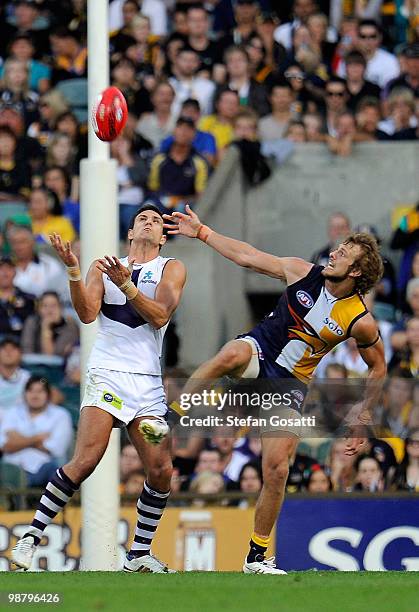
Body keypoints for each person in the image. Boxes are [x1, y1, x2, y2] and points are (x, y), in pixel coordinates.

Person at [154, 205, 386, 574]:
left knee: (277, 468)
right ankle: (170, 415)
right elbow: (248, 256)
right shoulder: (301, 271)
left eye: (343, 253)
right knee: (231, 352)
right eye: (338, 247)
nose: (334, 252)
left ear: (355, 272)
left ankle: (257, 556)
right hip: (258, 351)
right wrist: (203, 233)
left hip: (288, 384)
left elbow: (378, 366)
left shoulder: (359, 320)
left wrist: (365, 412)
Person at [11, 203, 186, 574]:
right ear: (130, 232)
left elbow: (160, 315)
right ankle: (29, 538)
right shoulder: (101, 267)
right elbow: (88, 313)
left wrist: (126, 284)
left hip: (147, 384)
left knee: (161, 469)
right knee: (87, 460)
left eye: (156, 221)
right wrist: (74, 271)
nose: (149, 223)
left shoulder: (170, 268)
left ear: (163, 237)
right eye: (142, 218)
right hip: (107, 373)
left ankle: (138, 554)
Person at [0, 376, 73, 487]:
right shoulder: (13, 412)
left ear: (48, 394)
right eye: (31, 391)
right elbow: (4, 445)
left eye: (40, 391)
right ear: (24, 394)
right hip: (10, 469)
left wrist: (17, 440)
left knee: (53, 470)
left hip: (41, 470)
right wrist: (37, 438)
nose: (35, 396)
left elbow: (56, 449)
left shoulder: (60, 415)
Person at [21, 291, 79, 358]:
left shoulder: (70, 326)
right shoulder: (32, 322)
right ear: (38, 309)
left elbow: (52, 357)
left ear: (61, 308)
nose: (49, 310)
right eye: (45, 306)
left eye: (53, 306)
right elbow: (27, 351)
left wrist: (46, 328)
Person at [0, 256, 35, 341]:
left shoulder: (28, 299)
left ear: (15, 272)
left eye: (9, 268)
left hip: (21, 345)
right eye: (1, 269)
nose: (5, 273)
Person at [0, 337, 31, 412]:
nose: (8, 352)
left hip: (20, 420)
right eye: (4, 349)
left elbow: (43, 381)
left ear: (21, 355)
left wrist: (44, 382)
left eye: (13, 348)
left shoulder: (28, 377)